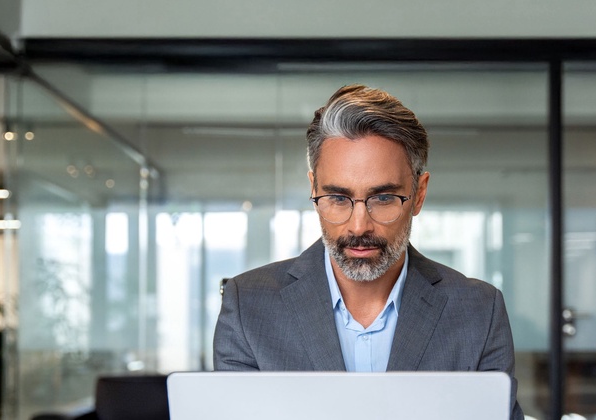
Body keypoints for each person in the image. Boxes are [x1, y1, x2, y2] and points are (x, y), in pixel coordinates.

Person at [213, 84, 523, 419]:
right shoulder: (248, 306)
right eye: (337, 198)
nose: (359, 227)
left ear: (418, 194)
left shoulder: (479, 311)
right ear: (314, 190)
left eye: (383, 198)